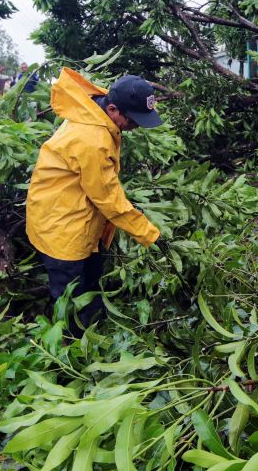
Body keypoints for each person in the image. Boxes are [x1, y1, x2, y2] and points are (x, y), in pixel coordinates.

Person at [26, 71, 162, 334]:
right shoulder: (92, 139)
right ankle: (70, 353)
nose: (133, 127)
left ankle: (94, 333)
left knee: (90, 284)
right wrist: (149, 235)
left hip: (74, 213)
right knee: (71, 299)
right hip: (61, 225)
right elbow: (107, 198)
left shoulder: (95, 109)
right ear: (113, 109)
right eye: (132, 121)